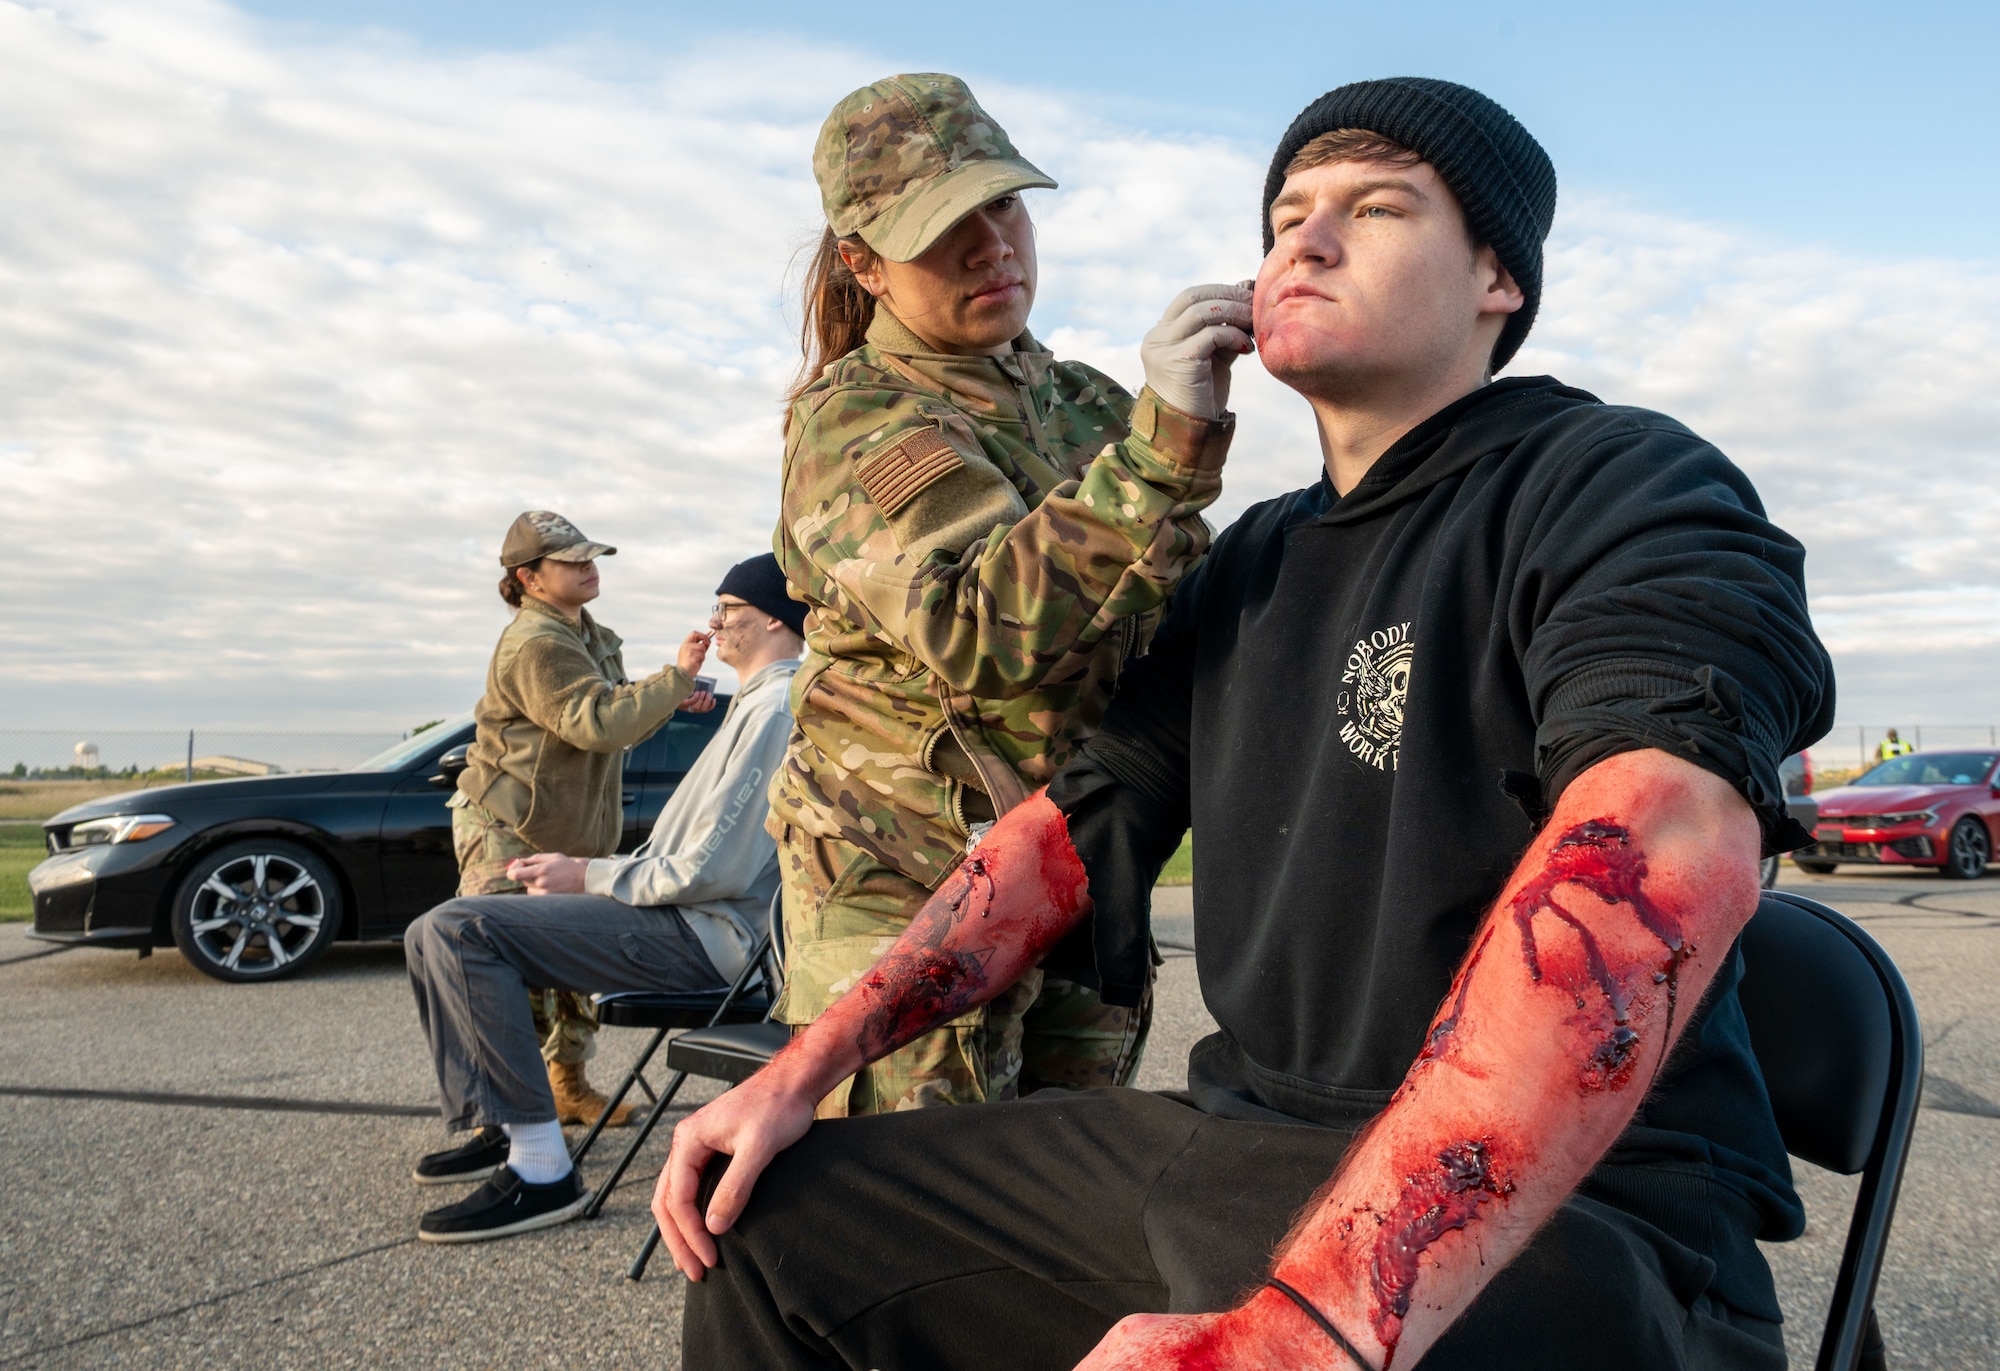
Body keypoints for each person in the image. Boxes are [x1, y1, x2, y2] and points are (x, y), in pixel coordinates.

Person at [660, 78, 1836, 1371]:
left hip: (1568, 1209)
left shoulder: (1616, 477)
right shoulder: (1254, 560)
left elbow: (1665, 825)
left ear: (1499, 275)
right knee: (772, 1219)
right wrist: (807, 1058)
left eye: (1376, 206)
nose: (1308, 241)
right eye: (1286, 216)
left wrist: (1312, 1326)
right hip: (1246, 1145)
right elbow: (1068, 828)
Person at [769, 72, 1250, 1115]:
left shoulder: (1084, 403)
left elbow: (1186, 616)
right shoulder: (856, 420)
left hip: (1069, 870)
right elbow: (977, 635)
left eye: (1004, 204)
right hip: (908, 895)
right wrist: (1164, 450)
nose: (991, 243)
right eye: (943, 227)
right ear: (864, 263)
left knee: (1063, 1215)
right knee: (923, 1234)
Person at [407, 553, 805, 1243]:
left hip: (711, 939)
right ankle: (508, 1128)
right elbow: (687, 856)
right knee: (431, 932)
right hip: (681, 917)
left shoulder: (777, 707)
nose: (714, 624)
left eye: (727, 610)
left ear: (774, 615)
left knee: (461, 931)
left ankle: (541, 1170)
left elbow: (712, 869)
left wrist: (585, 874)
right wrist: (593, 869)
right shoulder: (755, 702)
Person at [448, 510, 714, 1130]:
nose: (588, 568)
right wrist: (674, 679)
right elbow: (595, 724)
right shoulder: (537, 644)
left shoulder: (589, 635)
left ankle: (564, 1086)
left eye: (590, 557)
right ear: (530, 579)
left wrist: (672, 698)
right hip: (508, 828)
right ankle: (504, 1120)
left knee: (569, 966)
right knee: (500, 972)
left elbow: (614, 725)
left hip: (569, 830)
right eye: (571, 561)